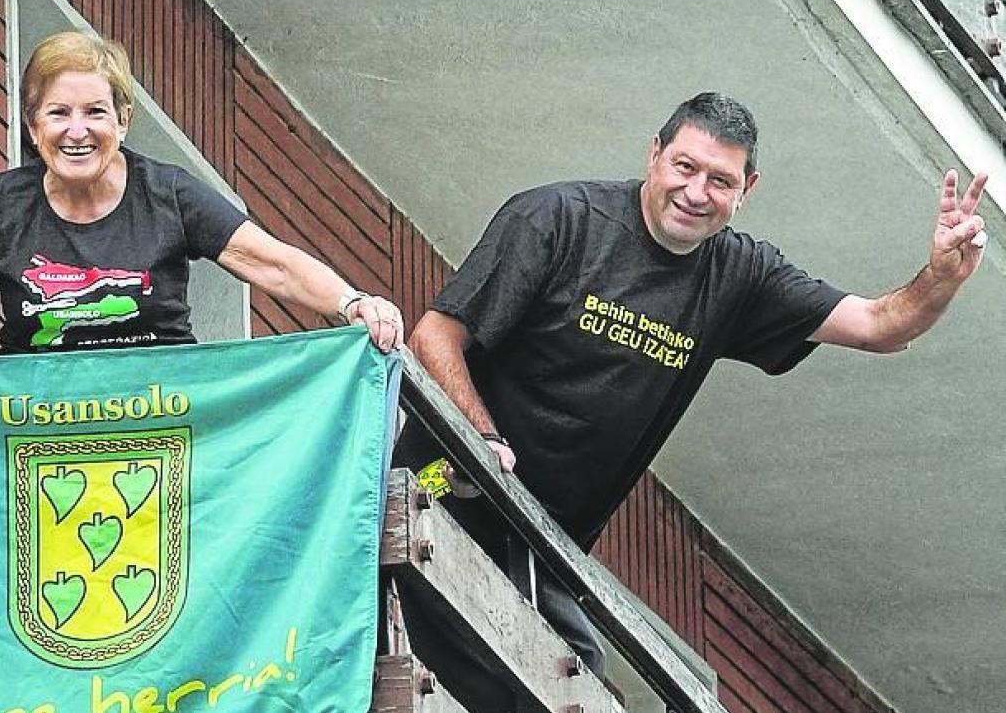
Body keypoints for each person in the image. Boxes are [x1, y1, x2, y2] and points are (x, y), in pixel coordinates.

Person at [393, 92, 988, 711]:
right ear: (654, 154)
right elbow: (435, 335)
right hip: (444, 483)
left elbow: (876, 326)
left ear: (746, 189)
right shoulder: (559, 218)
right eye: (685, 167)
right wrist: (483, 443)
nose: (697, 193)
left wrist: (940, 278)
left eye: (720, 180)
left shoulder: (739, 275)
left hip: (543, 547)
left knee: (567, 685)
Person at [0, 31, 403, 392]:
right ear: (33, 127)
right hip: (37, 423)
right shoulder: (4, 206)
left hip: (161, 416)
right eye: (58, 114)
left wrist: (353, 304)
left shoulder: (167, 194)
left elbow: (270, 263)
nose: (76, 131)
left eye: (95, 113)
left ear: (123, 120)